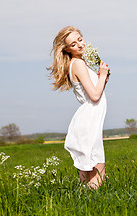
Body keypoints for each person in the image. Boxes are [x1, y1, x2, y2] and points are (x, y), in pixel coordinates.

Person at [48, 26, 109, 189]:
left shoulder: (79, 63)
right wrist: (102, 75)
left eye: (80, 40)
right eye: (73, 44)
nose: (80, 45)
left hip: (89, 119)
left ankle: (85, 202)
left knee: (89, 167)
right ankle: (93, 204)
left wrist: (101, 79)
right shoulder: (78, 64)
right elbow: (95, 96)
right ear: (67, 50)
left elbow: (94, 92)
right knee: (96, 166)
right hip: (89, 119)